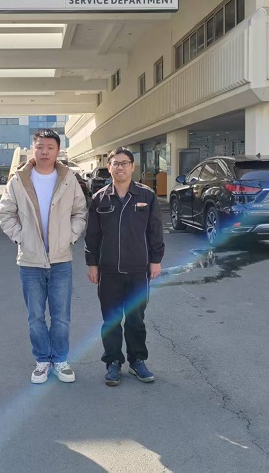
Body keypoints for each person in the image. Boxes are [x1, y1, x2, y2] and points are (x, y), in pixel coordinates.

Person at [0, 129, 87, 384]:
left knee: (61, 317)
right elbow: (5, 213)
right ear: (32, 149)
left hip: (61, 260)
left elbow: (80, 212)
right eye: (40, 147)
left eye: (50, 147)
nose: (44, 152)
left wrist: (69, 237)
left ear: (58, 150)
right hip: (30, 261)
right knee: (35, 317)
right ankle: (42, 360)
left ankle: (60, 360)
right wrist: (21, 238)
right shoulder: (19, 179)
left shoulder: (68, 178)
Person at [84, 147, 165, 386]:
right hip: (108, 270)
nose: (120, 167)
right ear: (109, 167)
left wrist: (156, 260)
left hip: (139, 269)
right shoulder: (100, 198)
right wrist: (92, 264)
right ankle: (113, 362)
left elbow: (155, 231)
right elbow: (92, 235)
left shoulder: (146, 196)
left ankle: (137, 360)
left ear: (132, 166)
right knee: (111, 320)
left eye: (124, 163)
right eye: (115, 163)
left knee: (135, 320)